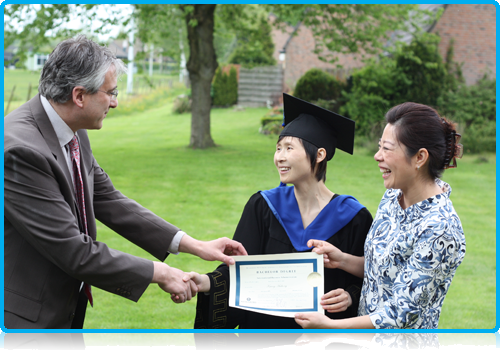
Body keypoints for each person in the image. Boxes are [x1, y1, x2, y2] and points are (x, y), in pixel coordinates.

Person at [4, 35, 247, 329]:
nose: (116, 102)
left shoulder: (72, 128)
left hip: (63, 314)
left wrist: (195, 245)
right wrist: (160, 272)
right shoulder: (20, 150)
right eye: (111, 92)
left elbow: (108, 199)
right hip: (24, 321)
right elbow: (74, 252)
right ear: (79, 96)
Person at [187, 93, 373, 335]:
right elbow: (239, 267)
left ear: (320, 155)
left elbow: (372, 277)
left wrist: (350, 296)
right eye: (278, 148)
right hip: (264, 337)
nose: (279, 157)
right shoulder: (263, 207)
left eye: (288, 148)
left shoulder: (354, 217)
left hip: (323, 340)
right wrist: (207, 283)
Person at [294, 102, 466, 329]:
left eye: (387, 148)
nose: (377, 156)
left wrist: (330, 328)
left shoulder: (441, 228)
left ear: (420, 157)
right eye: (379, 147)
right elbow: (387, 270)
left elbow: (400, 315)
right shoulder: (393, 198)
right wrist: (343, 260)